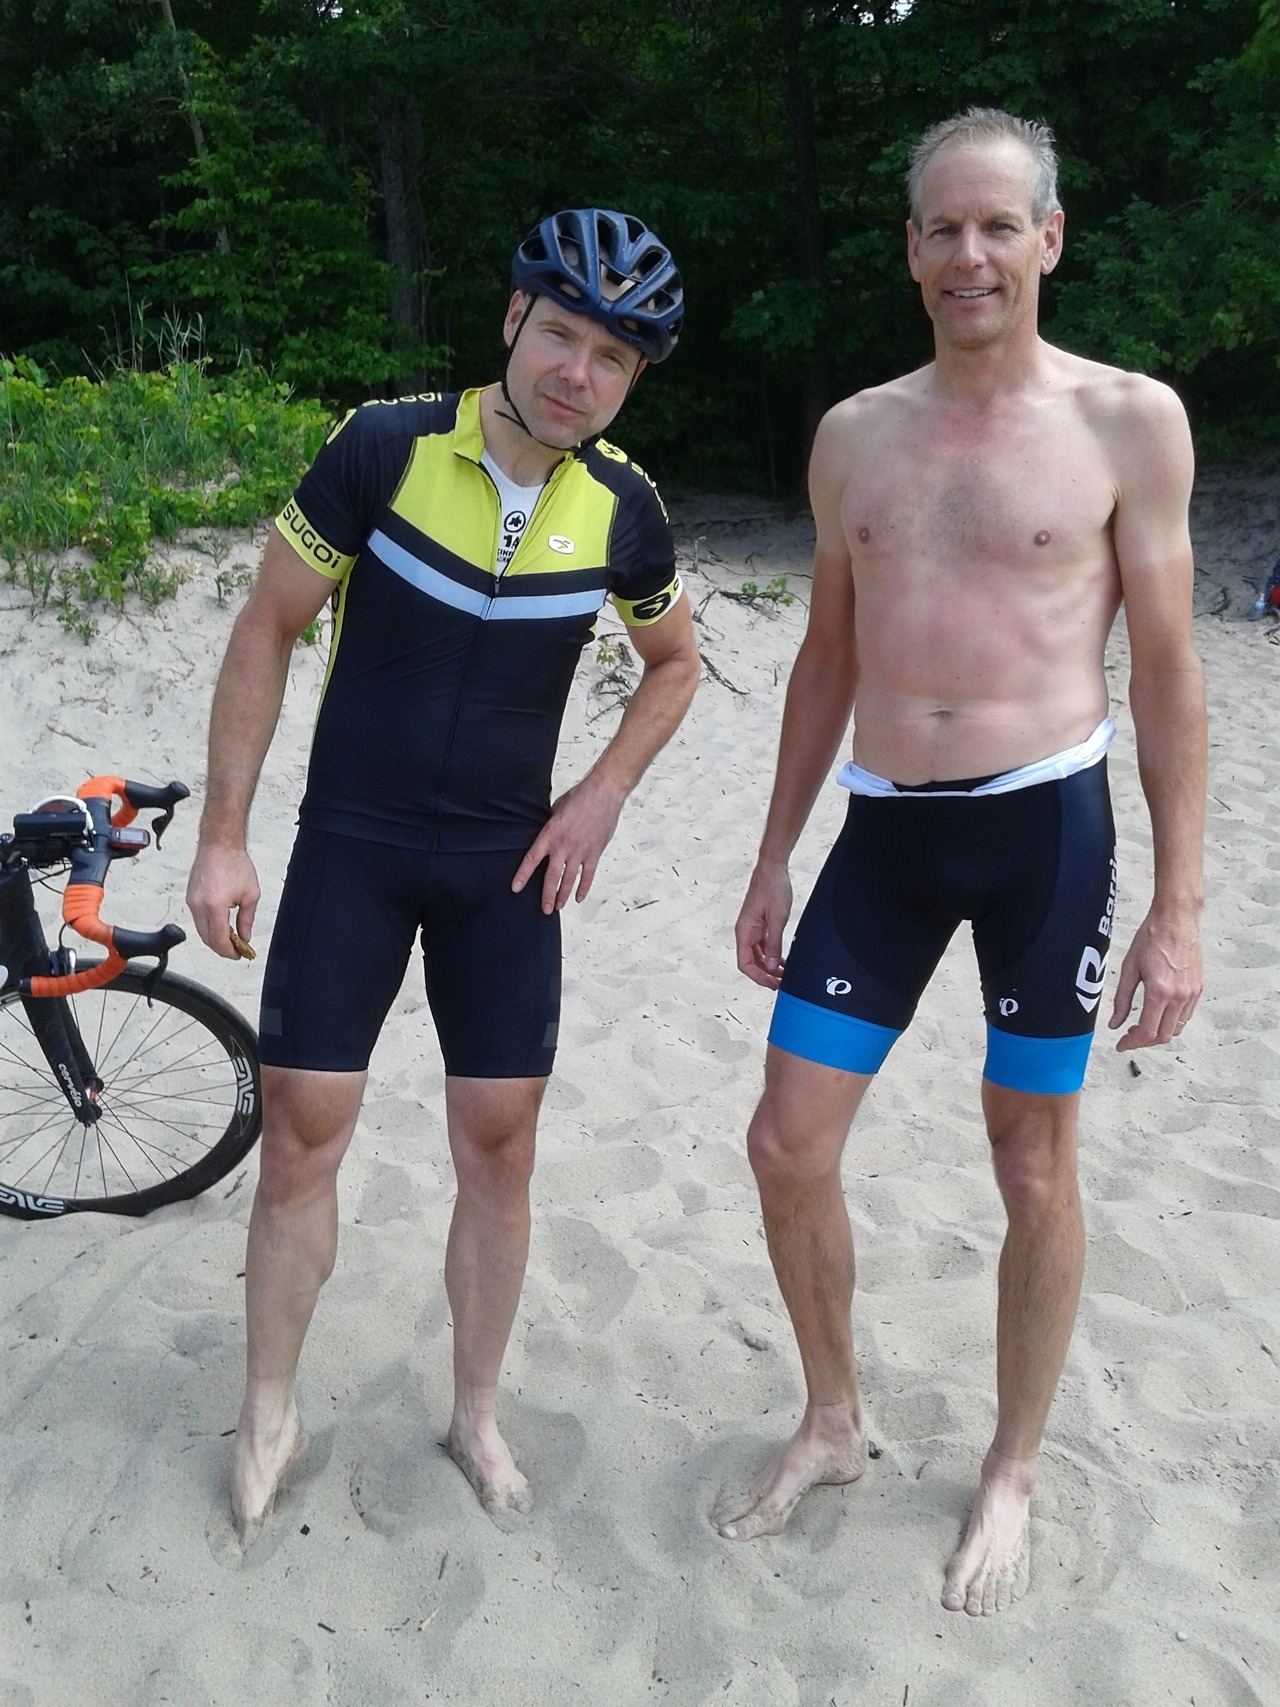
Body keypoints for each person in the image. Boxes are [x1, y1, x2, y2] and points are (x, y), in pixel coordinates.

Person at [721, 109, 1206, 1616]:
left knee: (1031, 1162)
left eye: (999, 225)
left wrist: (1179, 908)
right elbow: (824, 656)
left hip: (1044, 830)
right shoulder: (854, 434)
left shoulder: (1128, 421)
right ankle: (832, 1418)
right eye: (943, 227)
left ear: (1048, 239)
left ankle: (1012, 1462)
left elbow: (1171, 673)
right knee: (787, 1142)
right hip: (883, 832)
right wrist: (771, 856)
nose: (970, 254)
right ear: (911, 249)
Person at [186, 209, 700, 1538]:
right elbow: (268, 627)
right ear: (513, 318)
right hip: (355, 842)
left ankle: (476, 1412)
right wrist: (225, 833)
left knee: (501, 1144)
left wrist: (600, 794)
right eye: (563, 335)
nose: (578, 373)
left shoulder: (624, 506)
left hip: (500, 864)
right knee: (304, 1124)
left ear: (634, 378)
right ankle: (268, 1407)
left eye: (613, 358)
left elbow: (676, 664)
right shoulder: (385, 444)